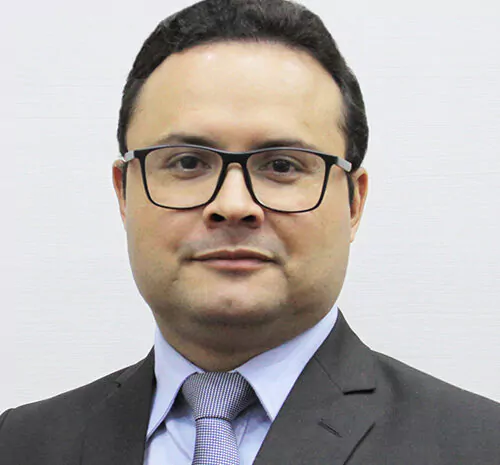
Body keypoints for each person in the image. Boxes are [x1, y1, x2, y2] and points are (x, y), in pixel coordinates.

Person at [1, 0, 499, 463]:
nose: (233, 205)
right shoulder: (20, 444)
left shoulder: (479, 445)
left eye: (282, 165)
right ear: (124, 193)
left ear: (354, 202)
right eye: (188, 162)